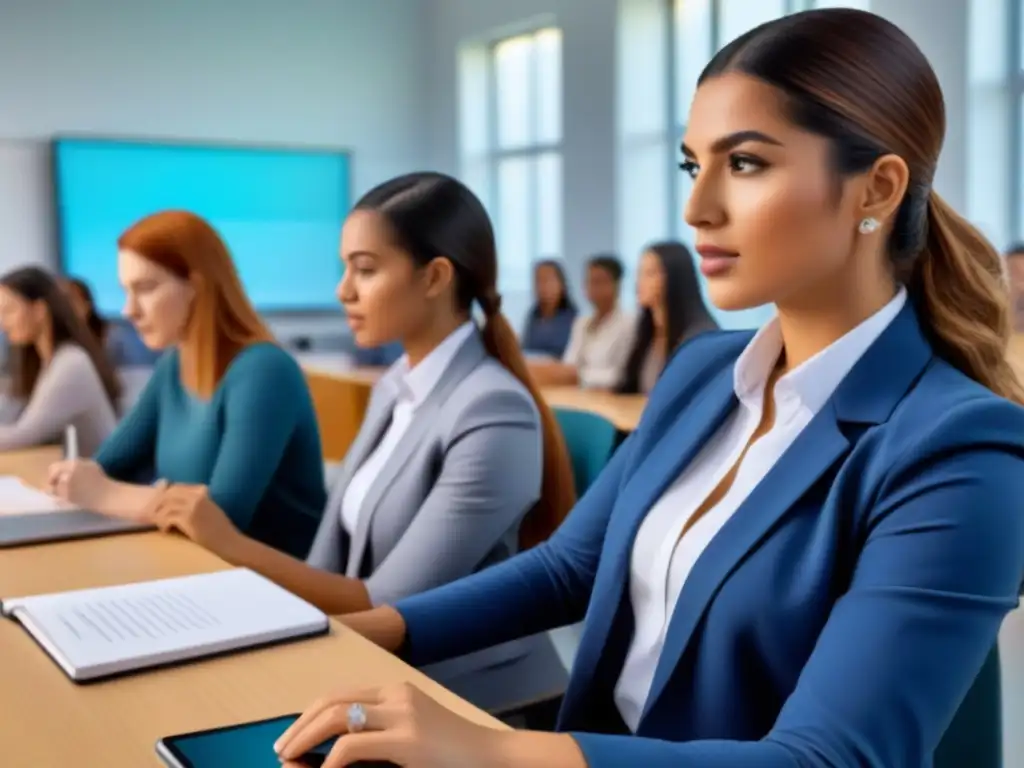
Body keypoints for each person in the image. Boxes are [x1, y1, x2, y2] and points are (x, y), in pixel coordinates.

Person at [273, 9, 1024, 768]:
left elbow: (828, 759)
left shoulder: (960, 451)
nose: (697, 210)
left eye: (747, 164)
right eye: (693, 167)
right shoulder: (703, 372)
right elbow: (571, 567)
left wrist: (492, 752)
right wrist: (365, 632)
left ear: (876, 189)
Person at [140, 174, 576, 688]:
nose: (342, 289)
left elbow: (388, 605)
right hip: (368, 661)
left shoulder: (493, 411)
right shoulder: (396, 384)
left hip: (461, 690)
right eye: (345, 268)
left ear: (435, 277)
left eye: (364, 270)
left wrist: (229, 544)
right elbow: (327, 564)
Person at [48, 210, 326, 558]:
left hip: (268, 585)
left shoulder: (264, 370)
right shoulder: (174, 364)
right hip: (191, 564)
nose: (129, 310)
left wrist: (105, 494)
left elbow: (220, 518)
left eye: (145, 289)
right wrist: (85, 481)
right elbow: (108, 465)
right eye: (125, 291)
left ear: (198, 287)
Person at [0, 267, 119, 455]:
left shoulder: (71, 363)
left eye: (9, 311)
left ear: (39, 310)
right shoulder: (48, 362)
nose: (2, 323)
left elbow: (24, 435)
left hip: (104, 478)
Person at [616, 241, 718, 394]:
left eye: (650, 273)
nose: (639, 282)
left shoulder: (699, 337)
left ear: (675, 278)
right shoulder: (648, 331)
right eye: (639, 273)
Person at [529, 254, 635, 389]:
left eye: (599, 282)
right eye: (589, 281)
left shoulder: (628, 324)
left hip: (608, 396)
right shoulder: (582, 323)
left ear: (616, 285)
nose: (593, 288)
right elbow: (569, 364)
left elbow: (622, 375)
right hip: (580, 394)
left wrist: (579, 376)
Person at [62, 277, 160, 368]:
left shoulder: (114, 337)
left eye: (72, 301)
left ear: (87, 305)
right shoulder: (65, 342)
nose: (67, 308)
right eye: (63, 302)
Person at [522, 260, 577, 359]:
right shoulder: (533, 315)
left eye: (547, 280)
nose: (542, 286)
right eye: (538, 281)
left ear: (561, 284)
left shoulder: (573, 319)